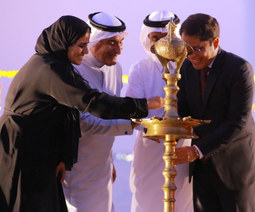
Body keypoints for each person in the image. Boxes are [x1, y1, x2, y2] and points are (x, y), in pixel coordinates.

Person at [0, 15, 162, 212]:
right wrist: (143, 105)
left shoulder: (59, 65)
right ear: (64, 42)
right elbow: (94, 104)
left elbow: (63, 116)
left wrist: (61, 157)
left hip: (44, 150)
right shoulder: (50, 69)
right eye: (81, 46)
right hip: (23, 148)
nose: (85, 51)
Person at [62, 12, 149, 212]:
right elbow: (85, 122)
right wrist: (134, 125)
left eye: (120, 42)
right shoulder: (74, 71)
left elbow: (111, 114)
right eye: (111, 43)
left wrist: (109, 161)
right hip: (78, 169)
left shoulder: (116, 69)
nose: (119, 49)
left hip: (103, 170)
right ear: (94, 42)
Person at [175, 13, 255, 212]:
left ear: (215, 42)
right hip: (202, 168)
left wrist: (196, 151)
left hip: (235, 168)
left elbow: (237, 123)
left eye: (197, 49)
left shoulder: (239, 69)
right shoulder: (186, 68)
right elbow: (184, 112)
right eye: (186, 49)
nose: (191, 55)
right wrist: (163, 127)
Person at [125, 10, 193, 212]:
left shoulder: (189, 66)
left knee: (182, 201)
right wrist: (151, 126)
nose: (162, 44)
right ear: (147, 38)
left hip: (182, 148)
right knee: (146, 201)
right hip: (149, 147)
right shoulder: (139, 69)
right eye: (155, 38)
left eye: (167, 38)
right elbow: (131, 111)